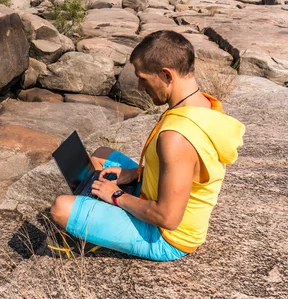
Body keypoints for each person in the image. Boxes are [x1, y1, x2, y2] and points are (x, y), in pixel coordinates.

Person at [50, 30, 245, 261]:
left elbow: (168, 218)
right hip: (154, 195)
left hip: (166, 236)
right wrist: (134, 173)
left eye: (143, 78)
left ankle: (98, 221)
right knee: (100, 156)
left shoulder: (177, 138)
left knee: (60, 208)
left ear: (166, 75)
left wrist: (117, 196)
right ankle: (98, 201)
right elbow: (186, 170)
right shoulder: (205, 104)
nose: (141, 87)